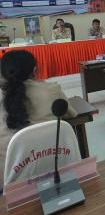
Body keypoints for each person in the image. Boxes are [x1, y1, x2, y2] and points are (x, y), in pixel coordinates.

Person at [0, 50, 77, 189]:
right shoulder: (52, 90)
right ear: (35, 70)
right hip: (54, 174)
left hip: (10, 187)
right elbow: (71, 113)